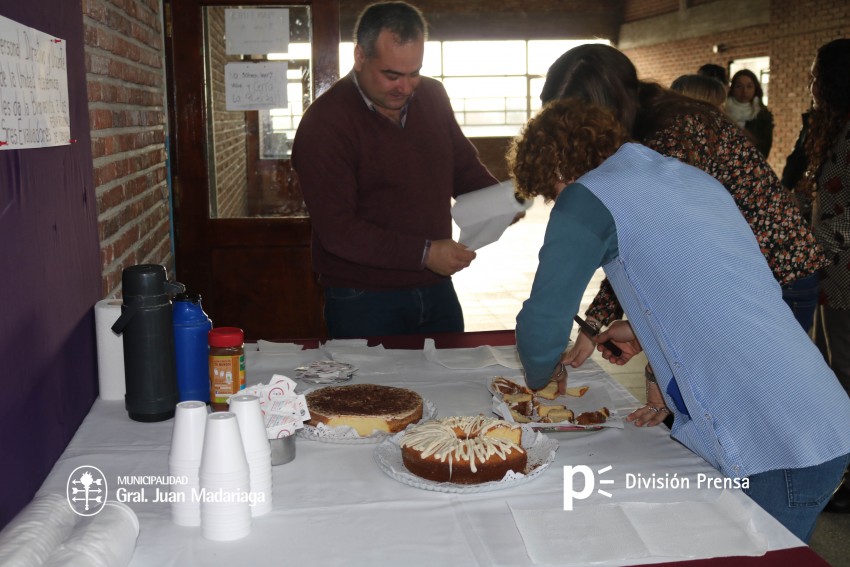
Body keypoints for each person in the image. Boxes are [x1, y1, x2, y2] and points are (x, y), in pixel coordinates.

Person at [509, 98, 850, 543]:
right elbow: (715, 288)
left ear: (556, 167)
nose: (556, 201)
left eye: (549, 192)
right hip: (812, 413)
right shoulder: (681, 176)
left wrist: (543, 371)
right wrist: (650, 336)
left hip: (772, 437)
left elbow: (543, 320)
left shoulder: (587, 195)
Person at [539, 44, 825, 427]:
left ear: (605, 108)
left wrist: (615, 334)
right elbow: (637, 249)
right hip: (743, 280)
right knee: (713, 417)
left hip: (776, 276)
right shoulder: (646, 130)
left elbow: (654, 250)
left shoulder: (670, 135)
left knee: (745, 419)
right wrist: (596, 324)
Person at [291, 2, 499, 338]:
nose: (405, 87)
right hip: (363, 297)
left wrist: (505, 198)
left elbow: (462, 166)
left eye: (413, 72)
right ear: (360, 57)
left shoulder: (431, 95)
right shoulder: (325, 124)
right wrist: (425, 253)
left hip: (436, 289)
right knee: (374, 392)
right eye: (392, 75)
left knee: (451, 386)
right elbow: (338, 230)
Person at [803, 38, 850, 513]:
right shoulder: (837, 129)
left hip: (843, 275)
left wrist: (808, 250)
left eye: (818, 75)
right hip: (833, 275)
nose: (812, 83)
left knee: (846, 373)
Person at [727, 69, 774, 158]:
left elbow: (764, 149)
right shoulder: (722, 110)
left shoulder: (763, 115)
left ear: (755, 89)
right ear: (732, 88)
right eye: (739, 86)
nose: (744, 91)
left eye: (749, 86)